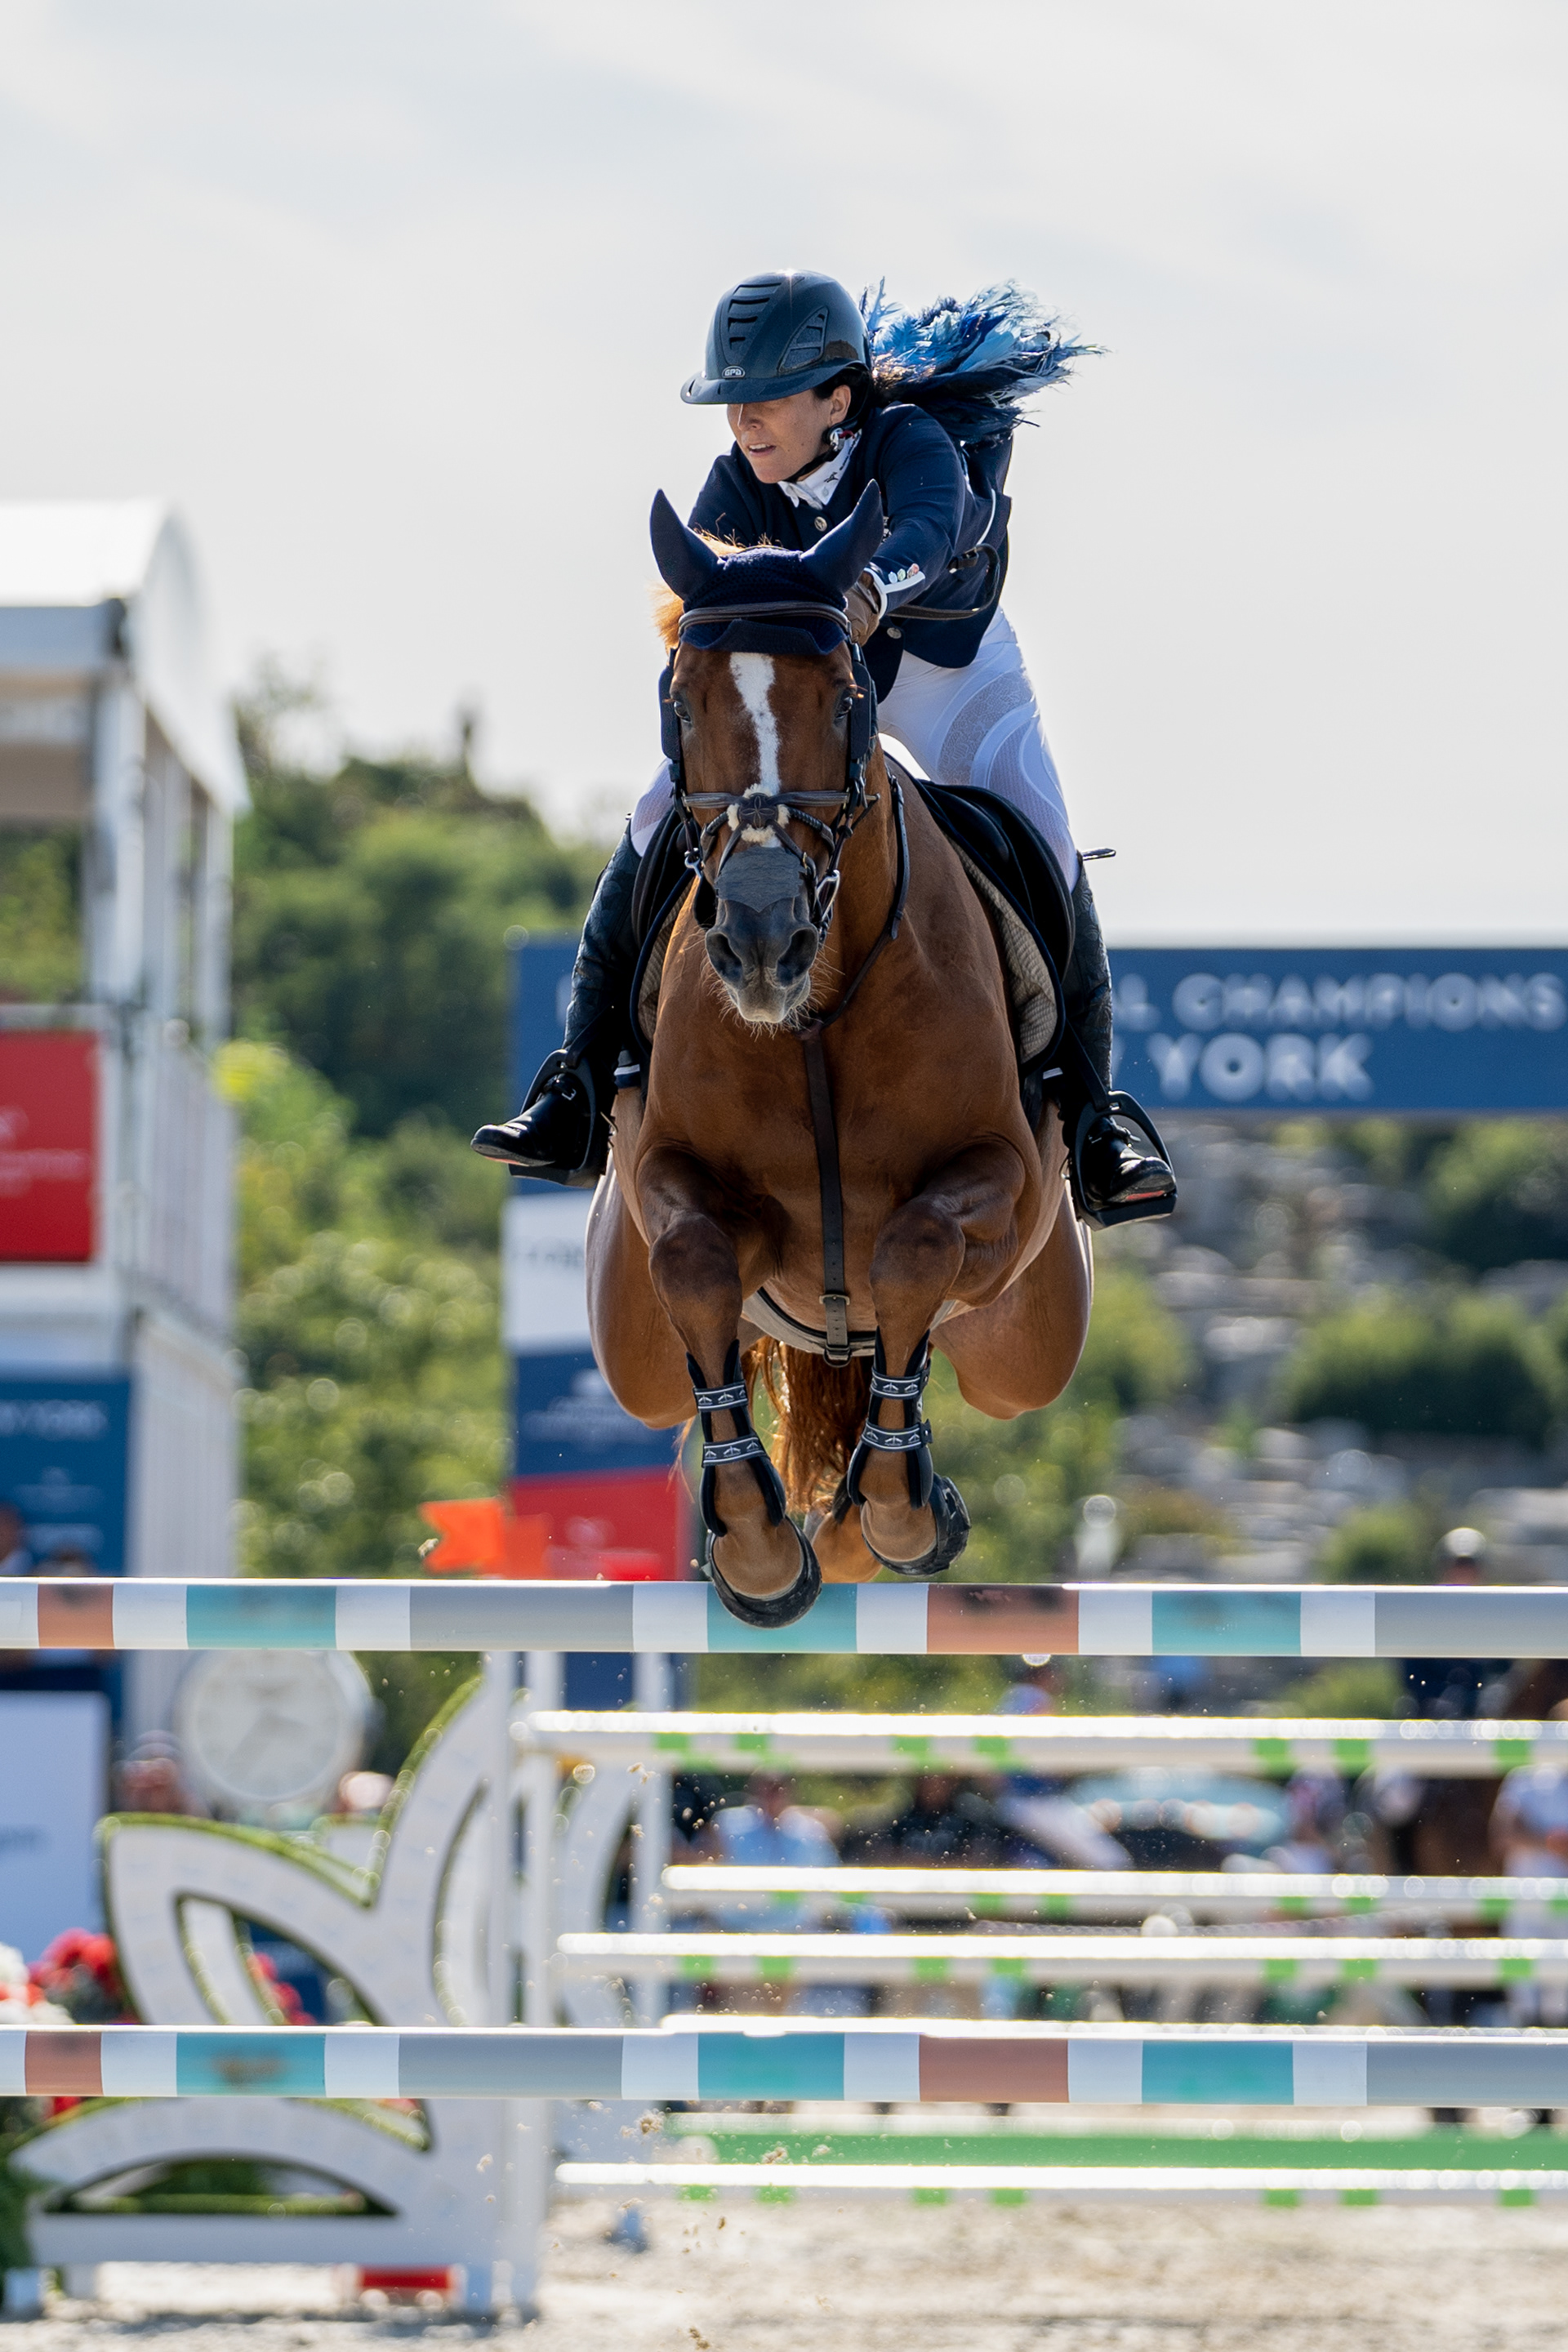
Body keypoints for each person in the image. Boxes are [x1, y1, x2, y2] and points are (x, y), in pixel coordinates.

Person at [473, 271, 1176, 1223]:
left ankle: (1097, 1122)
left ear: (836, 401)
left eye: (762, 404)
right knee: (647, 821)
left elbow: (937, 527)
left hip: (941, 668)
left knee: (1047, 837)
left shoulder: (911, 442)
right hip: (804, 693)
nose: (742, 427)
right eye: (732, 408)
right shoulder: (737, 483)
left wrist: (870, 589)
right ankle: (577, 1087)